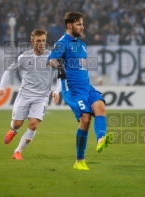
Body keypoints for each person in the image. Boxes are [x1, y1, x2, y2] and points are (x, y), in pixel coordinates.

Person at [47, 11, 113, 170]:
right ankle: (79, 160)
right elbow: (51, 60)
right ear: (69, 25)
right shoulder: (62, 43)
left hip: (87, 87)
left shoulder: (82, 45)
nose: (82, 27)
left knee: (101, 108)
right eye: (79, 24)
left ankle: (101, 140)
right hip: (73, 89)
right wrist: (59, 67)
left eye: (82, 24)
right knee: (85, 118)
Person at [0, 29, 61, 160]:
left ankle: (17, 151)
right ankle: (14, 130)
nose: (41, 43)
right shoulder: (24, 57)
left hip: (41, 97)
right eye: (38, 41)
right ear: (32, 42)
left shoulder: (52, 58)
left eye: (43, 41)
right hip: (24, 95)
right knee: (17, 124)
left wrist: (56, 91)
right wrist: (1, 88)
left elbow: (61, 77)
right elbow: (9, 71)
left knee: (33, 124)